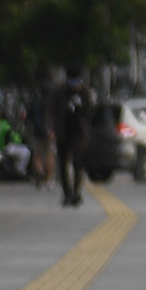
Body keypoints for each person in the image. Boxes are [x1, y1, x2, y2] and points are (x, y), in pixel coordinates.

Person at [49, 72, 94, 210]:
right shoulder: (60, 93)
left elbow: (89, 112)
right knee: (63, 163)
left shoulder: (85, 94)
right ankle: (67, 193)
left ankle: (76, 192)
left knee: (78, 163)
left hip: (79, 133)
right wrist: (52, 129)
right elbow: (54, 111)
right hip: (63, 132)